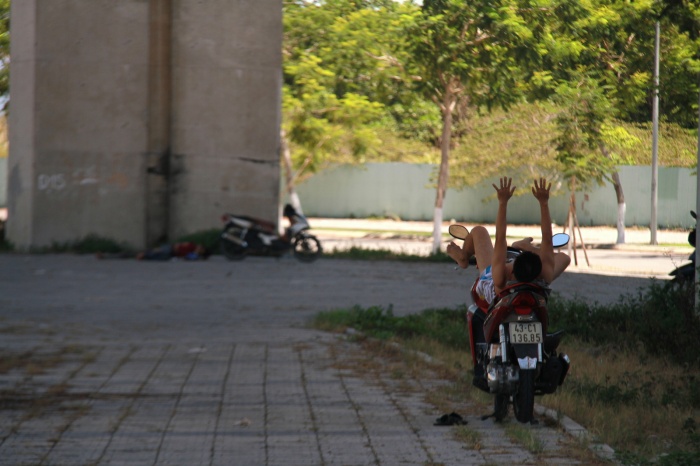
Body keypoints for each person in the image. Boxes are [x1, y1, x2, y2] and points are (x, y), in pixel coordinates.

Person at [446, 177, 570, 306]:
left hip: (499, 295)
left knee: (479, 231)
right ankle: (524, 246)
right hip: (533, 292)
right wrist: (544, 203)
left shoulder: (501, 276)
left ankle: (463, 258)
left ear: (511, 273)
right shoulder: (544, 276)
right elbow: (547, 240)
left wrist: (502, 203)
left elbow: (500, 237)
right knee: (563, 257)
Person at [136, 241, 210, 261]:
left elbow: (187, 258)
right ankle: (143, 254)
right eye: (200, 248)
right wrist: (176, 247)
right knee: (161, 251)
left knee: (161, 258)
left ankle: (145, 257)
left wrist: (195, 253)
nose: (199, 249)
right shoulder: (192, 245)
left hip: (172, 254)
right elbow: (180, 244)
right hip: (171, 248)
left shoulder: (194, 254)